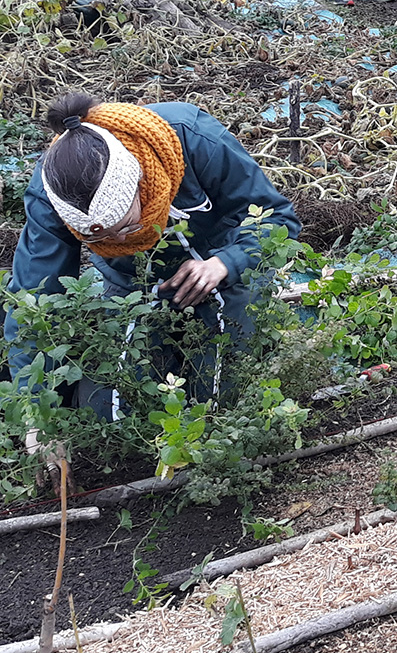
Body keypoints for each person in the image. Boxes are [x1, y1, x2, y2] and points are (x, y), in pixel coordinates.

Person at [4, 93, 302, 486]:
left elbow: (278, 217)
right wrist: (38, 419)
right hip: (131, 290)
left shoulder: (189, 136)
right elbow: (33, 301)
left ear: (140, 182)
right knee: (105, 420)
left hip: (225, 268)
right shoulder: (51, 191)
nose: (121, 240)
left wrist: (225, 263)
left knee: (218, 405)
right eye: (105, 239)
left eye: (126, 227)